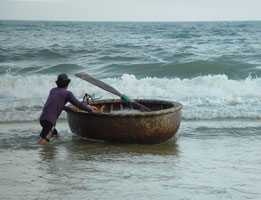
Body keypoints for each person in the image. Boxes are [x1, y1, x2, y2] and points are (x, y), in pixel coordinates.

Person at [38, 73, 99, 144]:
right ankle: (36, 150)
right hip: (50, 121)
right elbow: (78, 104)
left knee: (55, 135)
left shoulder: (53, 90)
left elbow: (57, 105)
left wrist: (69, 109)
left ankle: (52, 149)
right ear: (67, 83)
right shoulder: (67, 93)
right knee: (44, 140)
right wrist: (91, 110)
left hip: (43, 118)